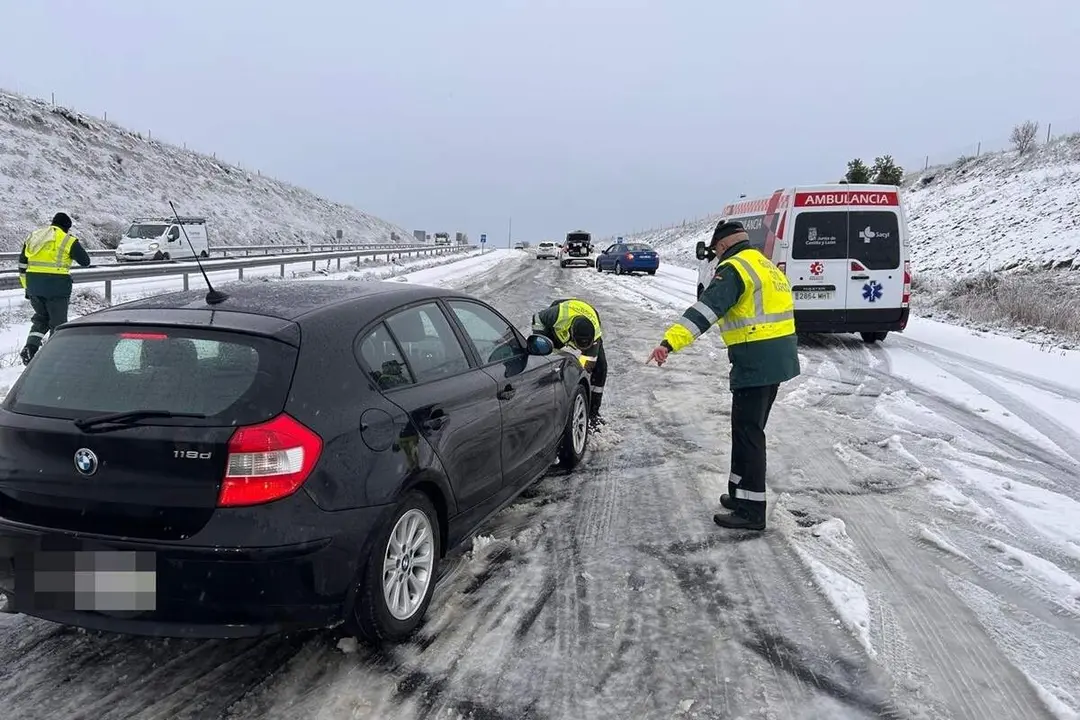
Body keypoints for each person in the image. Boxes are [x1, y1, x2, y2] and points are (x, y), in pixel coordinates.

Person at [646, 220, 800, 530]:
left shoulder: (735, 269)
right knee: (745, 428)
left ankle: (752, 511)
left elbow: (706, 310)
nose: (715, 256)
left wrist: (669, 343)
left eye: (716, 251)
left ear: (723, 245)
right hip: (777, 359)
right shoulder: (764, 265)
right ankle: (740, 494)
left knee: (749, 432)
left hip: (756, 360)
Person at [17, 212, 92, 364]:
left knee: (40, 319)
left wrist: (27, 288)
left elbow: (22, 264)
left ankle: (30, 348)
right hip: (57, 287)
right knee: (58, 324)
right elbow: (85, 261)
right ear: (66, 227)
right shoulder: (67, 239)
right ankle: (53, 358)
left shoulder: (34, 236)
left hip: (33, 286)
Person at [532, 298, 607, 424]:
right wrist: (542, 338)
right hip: (557, 329)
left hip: (586, 318)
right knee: (547, 361)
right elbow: (537, 318)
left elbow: (586, 368)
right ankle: (545, 402)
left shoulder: (595, 335)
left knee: (600, 368)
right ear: (572, 333)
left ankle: (593, 413)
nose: (580, 349)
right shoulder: (556, 314)